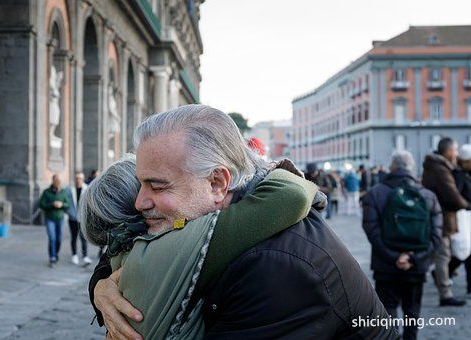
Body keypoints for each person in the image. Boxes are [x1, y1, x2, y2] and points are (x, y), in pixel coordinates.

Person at [88, 105, 398, 340]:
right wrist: (101, 288)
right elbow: (130, 243)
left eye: (158, 186)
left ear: (217, 183)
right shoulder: (205, 219)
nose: (140, 202)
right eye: (141, 184)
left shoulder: (275, 267)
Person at [80, 154, 318, 338]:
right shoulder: (184, 243)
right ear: (142, 212)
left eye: (156, 185)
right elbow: (291, 194)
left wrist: (99, 286)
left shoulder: (126, 253)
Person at [362, 151, 442, 339]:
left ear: (391, 168)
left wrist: (393, 257)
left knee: (386, 312)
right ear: (412, 168)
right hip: (416, 266)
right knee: (412, 312)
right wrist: (413, 258)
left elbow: (371, 230)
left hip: (385, 266)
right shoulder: (428, 196)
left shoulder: (375, 194)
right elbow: (436, 236)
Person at [422, 137, 470, 306]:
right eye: (455, 150)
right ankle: (445, 294)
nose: (456, 154)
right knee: (443, 255)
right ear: (449, 151)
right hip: (441, 218)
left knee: (438, 255)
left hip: (439, 217)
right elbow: (452, 195)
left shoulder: (437, 167)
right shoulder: (441, 169)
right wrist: (466, 205)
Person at [449, 144, 471, 296]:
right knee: (465, 251)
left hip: (467, 215)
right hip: (464, 217)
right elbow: (457, 197)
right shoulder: (458, 175)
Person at [39, 174, 70, 267]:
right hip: (50, 218)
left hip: (60, 218)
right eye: (56, 181)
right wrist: (52, 204)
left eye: (59, 181)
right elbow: (41, 204)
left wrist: (62, 205)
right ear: (53, 181)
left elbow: (68, 204)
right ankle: (52, 257)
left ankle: (56, 253)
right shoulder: (46, 192)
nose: (58, 183)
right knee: (52, 238)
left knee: (59, 239)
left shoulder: (63, 192)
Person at [66, 172, 91, 266]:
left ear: (83, 179)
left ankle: (85, 256)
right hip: (72, 218)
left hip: (82, 218)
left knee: (84, 238)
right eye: (77, 178)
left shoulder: (87, 188)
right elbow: (65, 201)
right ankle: (74, 255)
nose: (78, 180)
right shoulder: (69, 189)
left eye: (80, 178)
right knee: (73, 237)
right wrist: (68, 212)